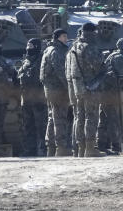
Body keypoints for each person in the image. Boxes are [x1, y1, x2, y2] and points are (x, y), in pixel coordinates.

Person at [66, 22, 105, 157]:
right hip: (91, 87)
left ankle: (81, 148)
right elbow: (97, 64)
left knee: (80, 117)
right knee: (91, 116)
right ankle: (90, 148)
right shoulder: (90, 47)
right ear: (93, 32)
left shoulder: (73, 47)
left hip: (77, 88)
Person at [97, 37, 123, 154]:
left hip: (104, 91)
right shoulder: (120, 58)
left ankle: (101, 145)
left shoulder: (114, 55)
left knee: (104, 119)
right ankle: (117, 146)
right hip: (110, 92)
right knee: (114, 119)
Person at [40, 28, 73, 157]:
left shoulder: (48, 50)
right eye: (64, 36)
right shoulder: (56, 51)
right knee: (60, 119)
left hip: (50, 90)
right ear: (57, 37)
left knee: (52, 118)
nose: (66, 39)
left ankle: (51, 147)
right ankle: (61, 147)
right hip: (58, 90)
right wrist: (70, 88)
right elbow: (61, 72)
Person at [18, 37, 48, 156]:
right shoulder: (26, 61)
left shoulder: (41, 60)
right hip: (26, 99)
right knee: (27, 126)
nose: (28, 49)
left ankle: (42, 149)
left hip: (39, 99)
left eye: (31, 47)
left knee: (41, 126)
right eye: (27, 47)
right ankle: (29, 149)